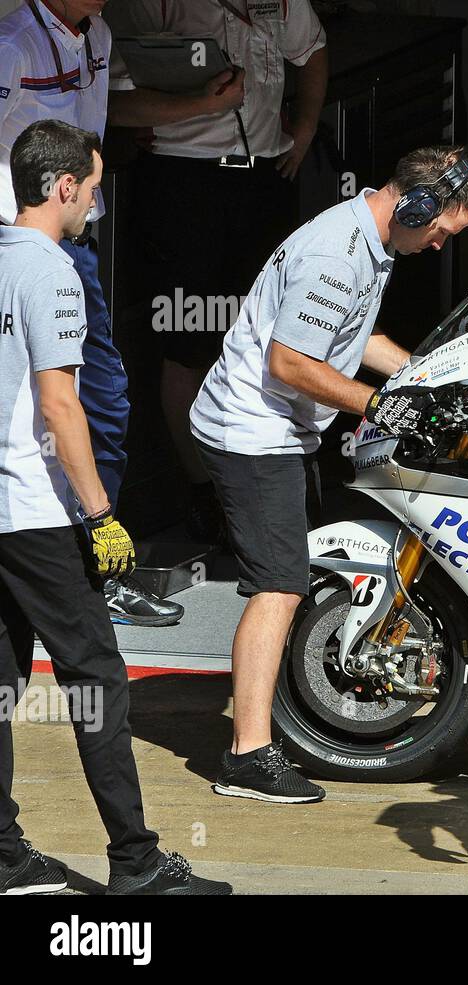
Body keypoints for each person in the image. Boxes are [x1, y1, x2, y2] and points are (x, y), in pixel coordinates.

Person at [190, 145, 468, 804]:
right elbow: (290, 364)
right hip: (252, 429)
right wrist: (385, 405)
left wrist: (430, 377)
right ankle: (246, 755)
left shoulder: (366, 242)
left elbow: (355, 340)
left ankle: (265, 728)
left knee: (287, 580)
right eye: (441, 231)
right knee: (278, 585)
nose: (440, 245)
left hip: (281, 428)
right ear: (415, 205)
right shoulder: (336, 254)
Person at [0, 120, 228, 895]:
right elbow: (63, 405)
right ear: (62, 188)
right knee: (98, 680)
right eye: (92, 189)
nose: (94, 204)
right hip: (38, 510)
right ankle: (135, 862)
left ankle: (2, 854)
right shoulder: (55, 270)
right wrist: (101, 516)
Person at [0, 0, 246, 625]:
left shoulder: (99, 34)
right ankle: (73, 564)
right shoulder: (14, 40)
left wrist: (203, 106)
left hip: (75, 241)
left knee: (101, 397)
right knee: (46, 402)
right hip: (16, 240)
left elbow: (116, 111)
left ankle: (94, 558)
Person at [105, 0, 328, 541]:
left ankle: (273, 482)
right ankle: (207, 491)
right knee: (189, 340)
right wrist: (197, 105)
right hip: (185, 183)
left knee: (274, 335)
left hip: (262, 178)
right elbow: (116, 104)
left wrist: (305, 129)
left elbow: (314, 50)